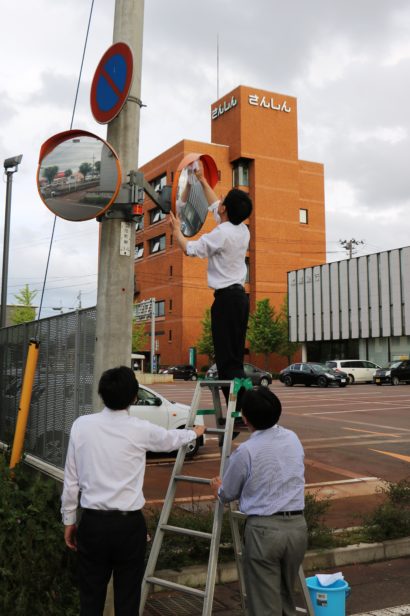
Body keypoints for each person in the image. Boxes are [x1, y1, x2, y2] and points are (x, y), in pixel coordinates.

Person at [61, 365, 205, 616]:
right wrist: (193, 433)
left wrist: (69, 520)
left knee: (90, 599)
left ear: (102, 394)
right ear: (134, 397)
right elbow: (170, 438)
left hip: (92, 523)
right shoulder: (140, 428)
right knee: (128, 599)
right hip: (129, 527)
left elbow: (71, 480)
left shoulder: (81, 426)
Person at [210, 387, 307, 616]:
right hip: (297, 528)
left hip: (264, 532)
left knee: (264, 605)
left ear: (244, 418)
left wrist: (217, 488)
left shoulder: (246, 451)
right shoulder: (292, 438)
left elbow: (228, 493)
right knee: (286, 599)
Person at [170, 171, 252, 404]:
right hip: (240, 299)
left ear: (225, 210)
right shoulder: (241, 229)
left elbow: (189, 249)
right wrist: (202, 180)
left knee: (226, 362)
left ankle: (239, 411)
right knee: (235, 359)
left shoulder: (221, 233)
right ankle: (243, 411)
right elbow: (215, 204)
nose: (220, 202)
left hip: (226, 301)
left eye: (223, 200)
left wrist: (177, 231)